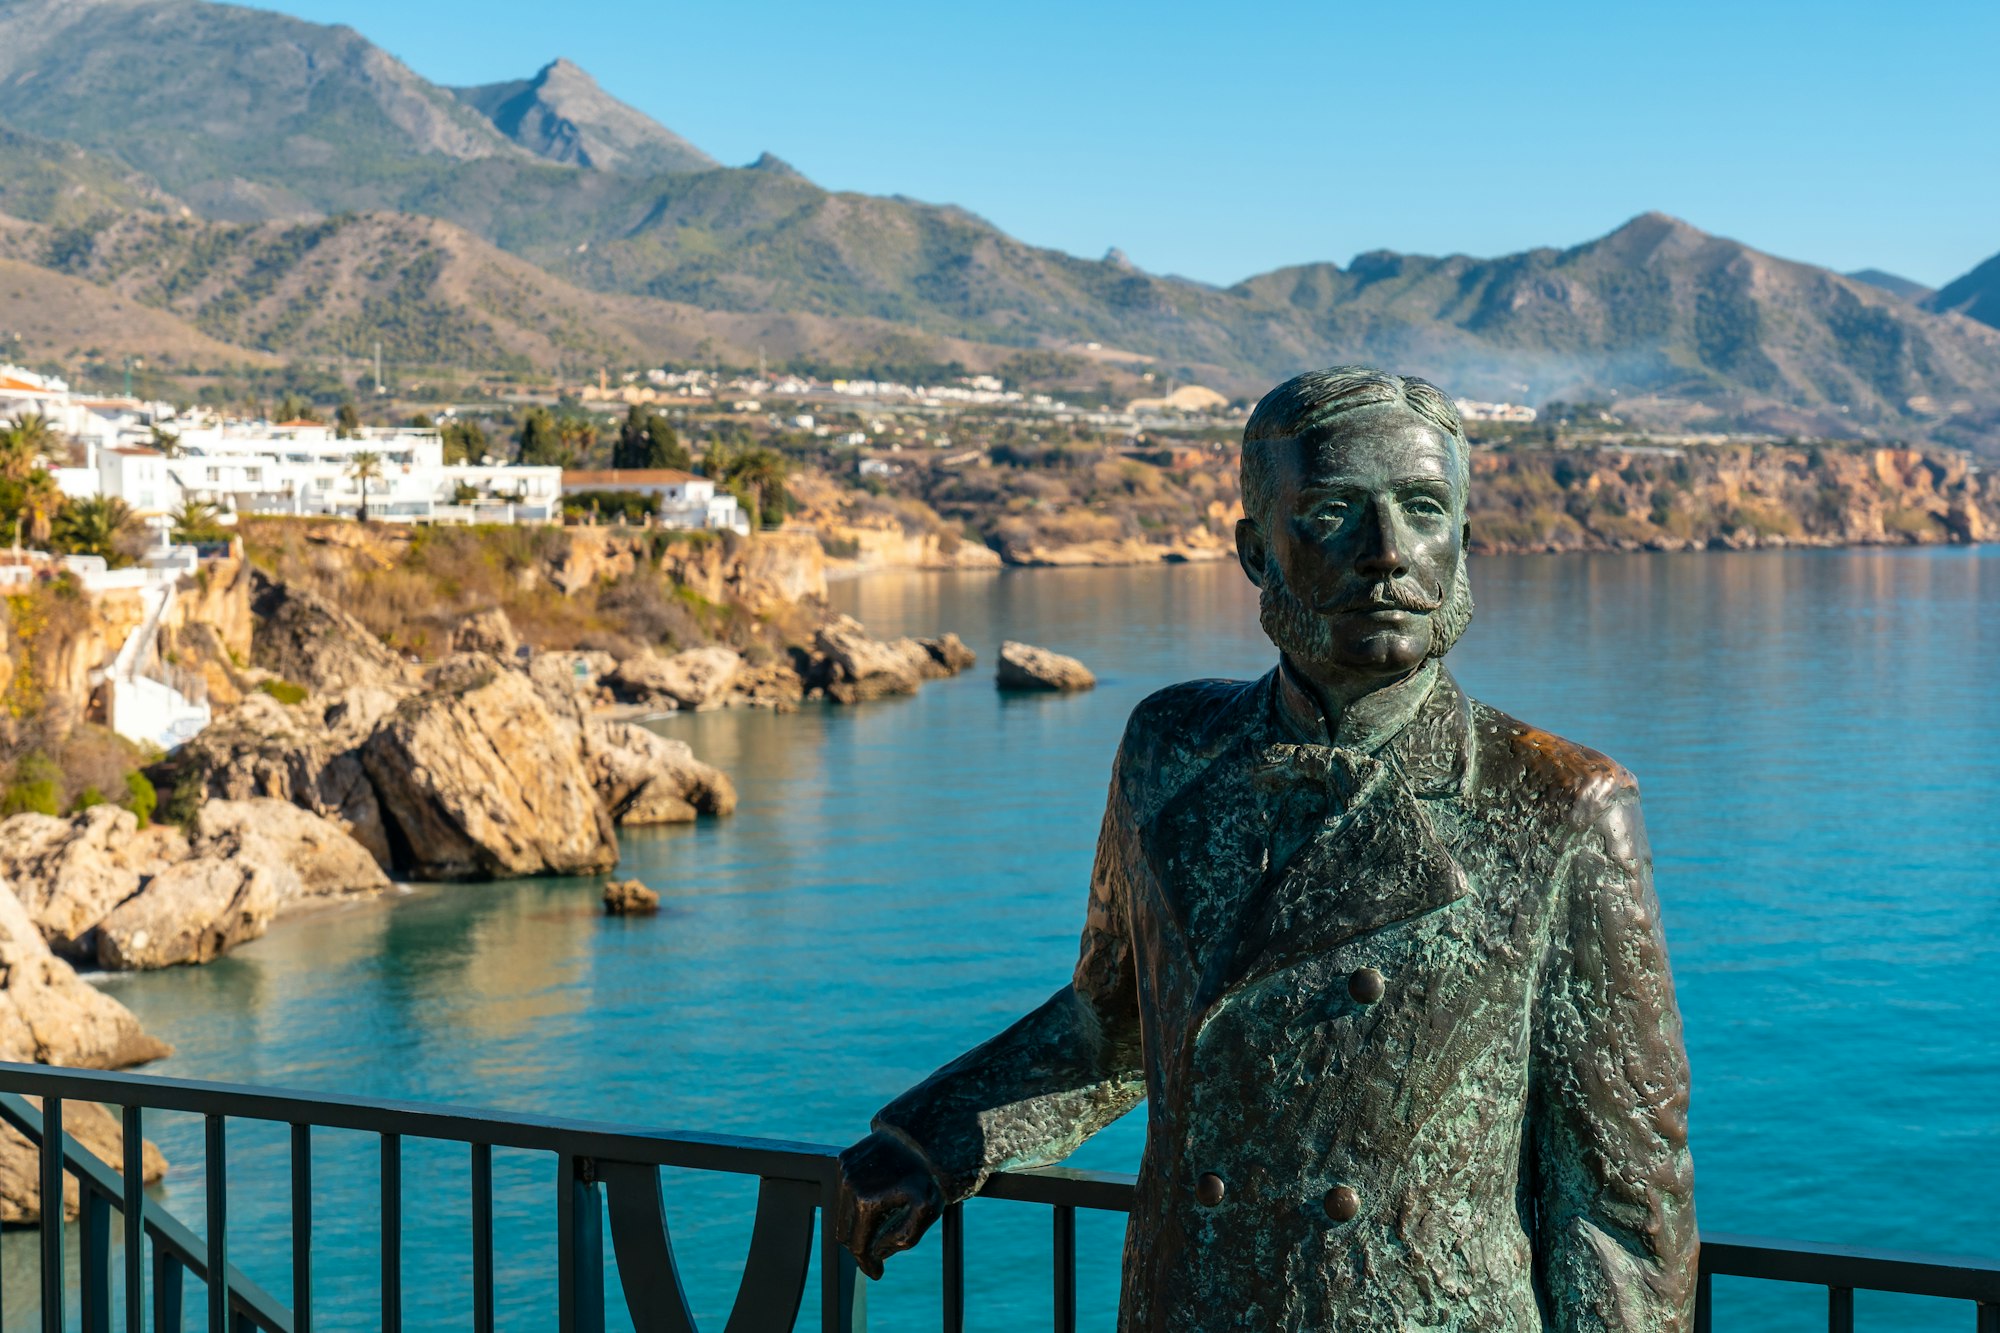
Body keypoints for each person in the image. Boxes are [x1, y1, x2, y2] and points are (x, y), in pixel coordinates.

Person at [835, 366, 1696, 1331]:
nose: (1386, 553)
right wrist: (935, 1135)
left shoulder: (1560, 804)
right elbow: (1112, 1021)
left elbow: (1622, 1205)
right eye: (1333, 511)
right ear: (1256, 551)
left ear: (1461, 539)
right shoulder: (1168, 752)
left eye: (1422, 508)